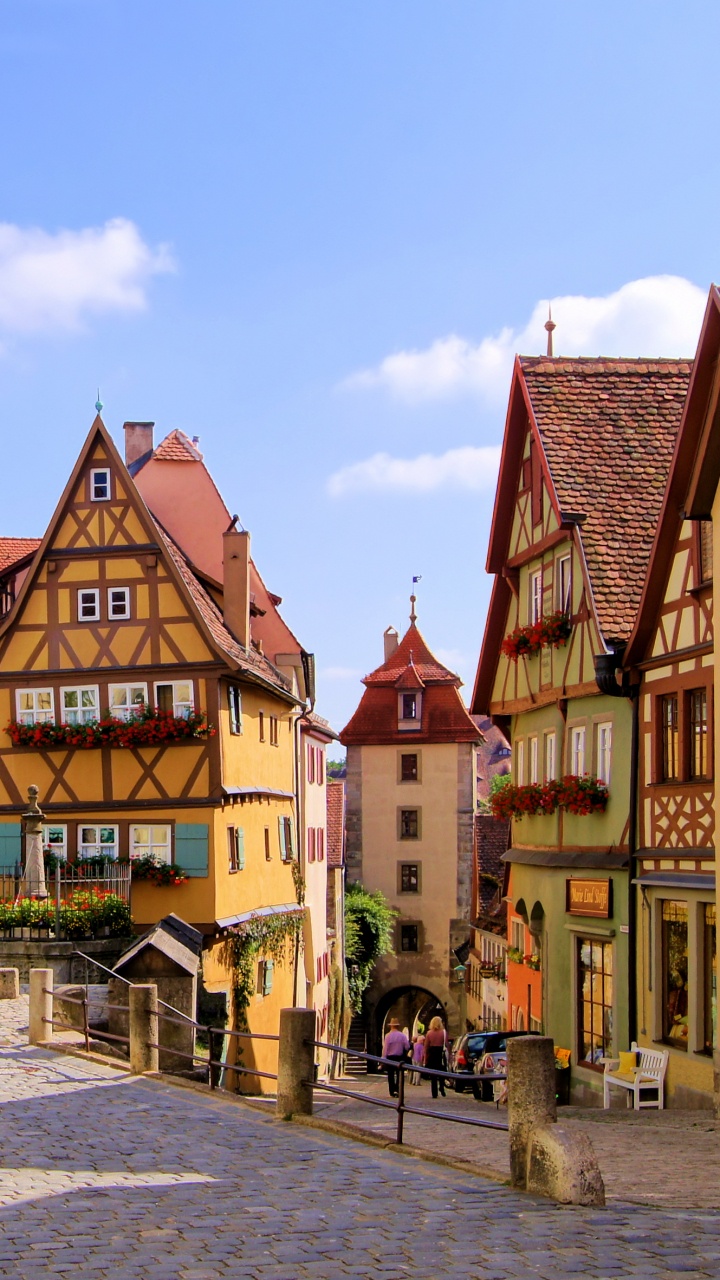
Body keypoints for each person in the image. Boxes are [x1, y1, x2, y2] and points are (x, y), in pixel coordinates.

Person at [382, 1017, 411, 1097]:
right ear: (398, 1026)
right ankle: (398, 1090)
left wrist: (383, 1059)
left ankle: (392, 1091)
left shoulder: (388, 1036)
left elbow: (385, 1048)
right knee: (399, 1075)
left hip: (390, 1057)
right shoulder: (402, 1036)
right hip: (399, 1058)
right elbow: (407, 1046)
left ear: (391, 1026)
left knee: (390, 1075)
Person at [423, 1015, 448, 1098]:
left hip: (432, 1054)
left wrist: (425, 1058)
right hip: (440, 1053)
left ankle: (434, 1092)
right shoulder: (443, 1032)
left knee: (433, 1074)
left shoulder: (429, 1033)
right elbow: (447, 1044)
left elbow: (426, 1047)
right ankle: (441, 1086)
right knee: (441, 1071)